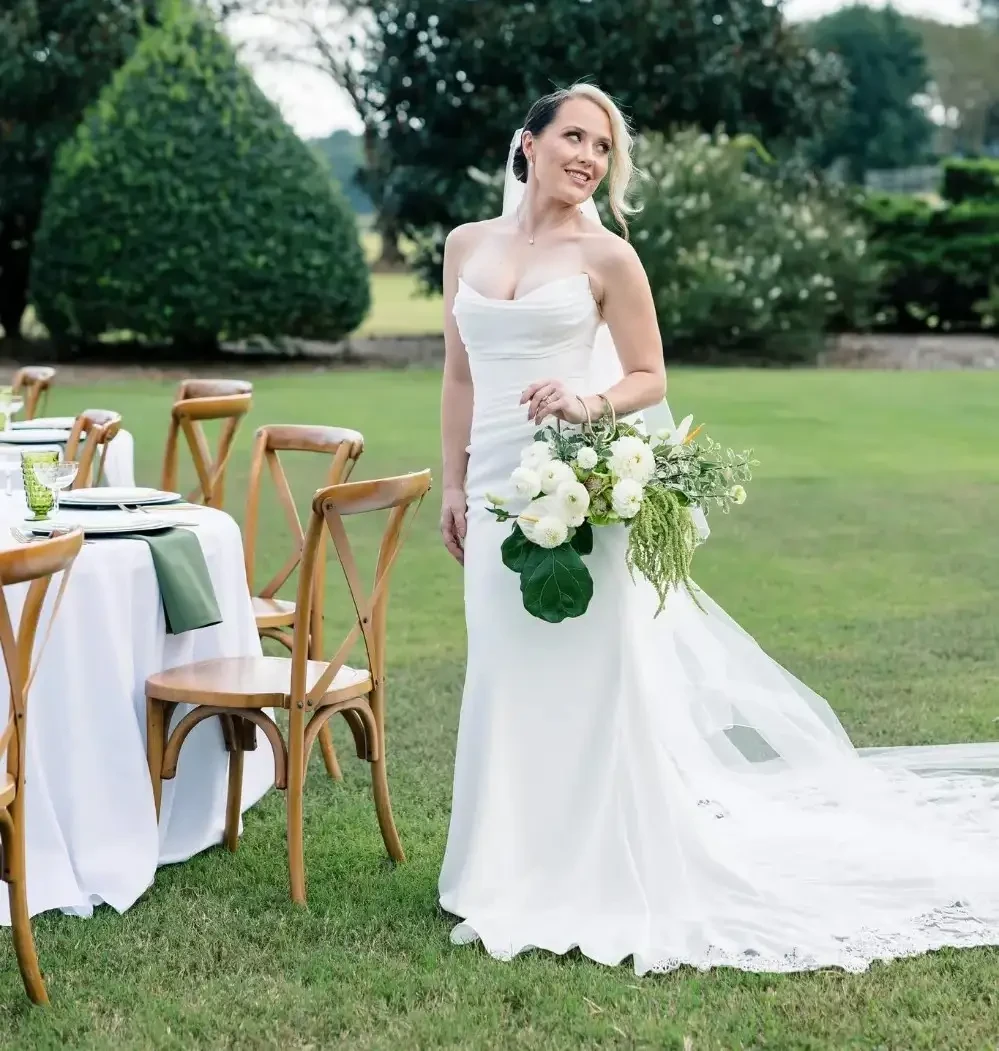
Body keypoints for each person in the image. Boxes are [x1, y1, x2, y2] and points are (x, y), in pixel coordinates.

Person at [436, 82, 999, 975]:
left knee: (589, 682)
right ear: (528, 142)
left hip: (575, 486)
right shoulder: (465, 246)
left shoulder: (609, 257)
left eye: (603, 147)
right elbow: (459, 377)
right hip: (498, 486)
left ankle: (595, 865)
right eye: (574, 137)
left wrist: (587, 401)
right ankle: (502, 862)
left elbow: (649, 376)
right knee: (505, 675)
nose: (588, 156)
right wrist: (454, 478)